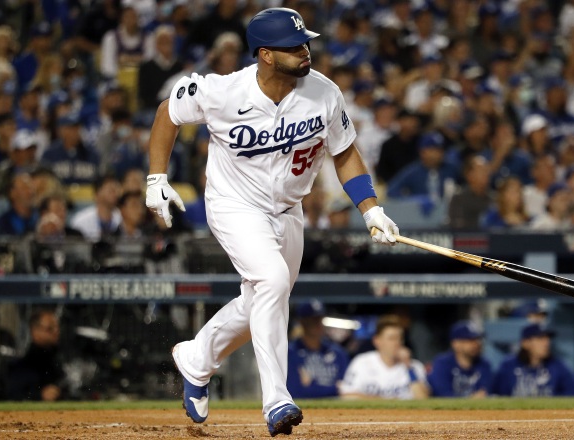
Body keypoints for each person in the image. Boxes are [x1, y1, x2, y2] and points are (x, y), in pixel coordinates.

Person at [148, 8, 399, 437]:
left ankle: (197, 357)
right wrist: (156, 177)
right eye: (294, 46)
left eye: (305, 43)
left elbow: (344, 152)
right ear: (265, 54)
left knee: (264, 296)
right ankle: (277, 400)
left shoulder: (323, 92)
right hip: (234, 204)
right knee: (271, 282)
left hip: (289, 210)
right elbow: (167, 113)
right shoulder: (223, 91)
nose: (305, 51)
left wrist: (370, 208)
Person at [339, 315, 429, 400]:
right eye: (391, 338)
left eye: (400, 338)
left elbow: (423, 398)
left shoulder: (414, 366)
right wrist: (385, 401)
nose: (397, 343)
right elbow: (346, 395)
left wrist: (408, 367)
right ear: (377, 341)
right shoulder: (361, 362)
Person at [490, 323, 574, 397]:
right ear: (525, 343)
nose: (546, 343)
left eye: (547, 338)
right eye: (540, 338)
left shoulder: (556, 365)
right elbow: (493, 392)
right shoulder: (509, 365)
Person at [286, 299, 349, 399]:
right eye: (312, 319)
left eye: (319, 318)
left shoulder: (337, 352)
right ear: (302, 321)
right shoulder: (290, 352)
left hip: (336, 408)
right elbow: (295, 391)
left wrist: (311, 384)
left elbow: (346, 388)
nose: (317, 323)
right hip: (302, 408)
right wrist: (334, 389)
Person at [6, 309, 64, 401]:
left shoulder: (59, 356)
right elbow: (11, 393)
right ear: (35, 331)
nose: (56, 332)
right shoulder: (24, 363)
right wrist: (39, 395)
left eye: (57, 327)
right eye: (50, 328)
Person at [427, 321, 492, 398]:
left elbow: (484, 393)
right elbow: (443, 394)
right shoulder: (442, 363)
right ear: (455, 344)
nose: (476, 343)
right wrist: (470, 399)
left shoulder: (483, 364)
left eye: (477, 339)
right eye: (470, 340)